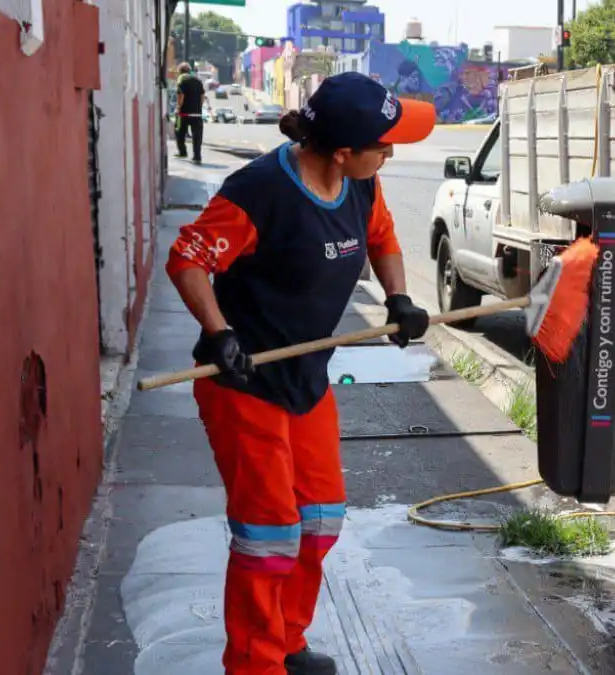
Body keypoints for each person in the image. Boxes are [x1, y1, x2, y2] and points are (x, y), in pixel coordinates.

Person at [165, 72, 436, 675]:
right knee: (268, 534)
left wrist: (399, 299)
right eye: (382, 143)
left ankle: (287, 641)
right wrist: (219, 332)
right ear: (342, 149)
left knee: (318, 520)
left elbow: (382, 240)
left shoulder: (361, 185)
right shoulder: (259, 191)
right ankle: (255, 664)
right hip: (244, 383)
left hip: (307, 379)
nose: (390, 152)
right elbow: (187, 259)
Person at [175, 63, 206, 163]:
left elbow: (181, 95)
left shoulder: (181, 79)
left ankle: (182, 152)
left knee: (179, 132)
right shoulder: (197, 80)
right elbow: (202, 96)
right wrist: (199, 107)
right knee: (197, 136)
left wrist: (179, 107)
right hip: (196, 113)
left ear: (180, 71)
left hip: (184, 113)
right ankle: (197, 157)